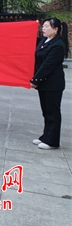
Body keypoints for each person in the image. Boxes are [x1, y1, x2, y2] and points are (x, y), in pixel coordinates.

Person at [30, 18, 69, 150]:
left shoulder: (58, 45)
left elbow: (47, 66)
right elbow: (30, 40)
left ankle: (52, 141)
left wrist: (35, 80)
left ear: (56, 29)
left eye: (47, 26)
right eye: (43, 26)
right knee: (46, 112)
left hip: (53, 84)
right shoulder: (45, 40)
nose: (44, 29)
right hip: (45, 84)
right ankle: (46, 136)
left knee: (52, 112)